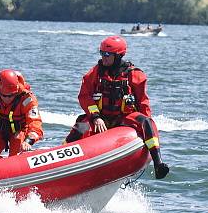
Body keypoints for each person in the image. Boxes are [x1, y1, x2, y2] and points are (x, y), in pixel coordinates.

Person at [65, 35, 169, 179]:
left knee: (146, 122)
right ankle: (62, 162)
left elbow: (143, 102)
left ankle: (158, 163)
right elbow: (84, 96)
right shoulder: (96, 72)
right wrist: (95, 117)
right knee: (80, 127)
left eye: (107, 54)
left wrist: (146, 125)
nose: (104, 57)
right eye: (102, 53)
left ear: (119, 55)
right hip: (101, 118)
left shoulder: (134, 74)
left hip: (123, 118)